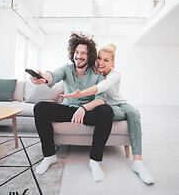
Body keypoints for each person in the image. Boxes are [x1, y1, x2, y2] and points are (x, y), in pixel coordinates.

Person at [61, 44, 155, 184]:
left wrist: (81, 93)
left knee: (133, 113)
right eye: (99, 58)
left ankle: (137, 162)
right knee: (111, 112)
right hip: (105, 107)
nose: (101, 62)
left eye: (106, 60)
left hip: (120, 104)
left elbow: (102, 87)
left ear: (112, 63)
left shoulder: (115, 75)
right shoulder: (93, 71)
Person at [31, 33, 114, 183]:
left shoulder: (97, 73)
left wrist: (83, 108)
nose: (79, 56)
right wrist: (43, 78)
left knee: (107, 111)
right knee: (40, 107)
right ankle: (49, 155)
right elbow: (53, 75)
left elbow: (101, 99)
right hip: (68, 110)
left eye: (83, 53)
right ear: (72, 53)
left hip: (88, 112)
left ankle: (94, 161)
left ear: (89, 56)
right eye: (76, 52)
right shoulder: (67, 69)